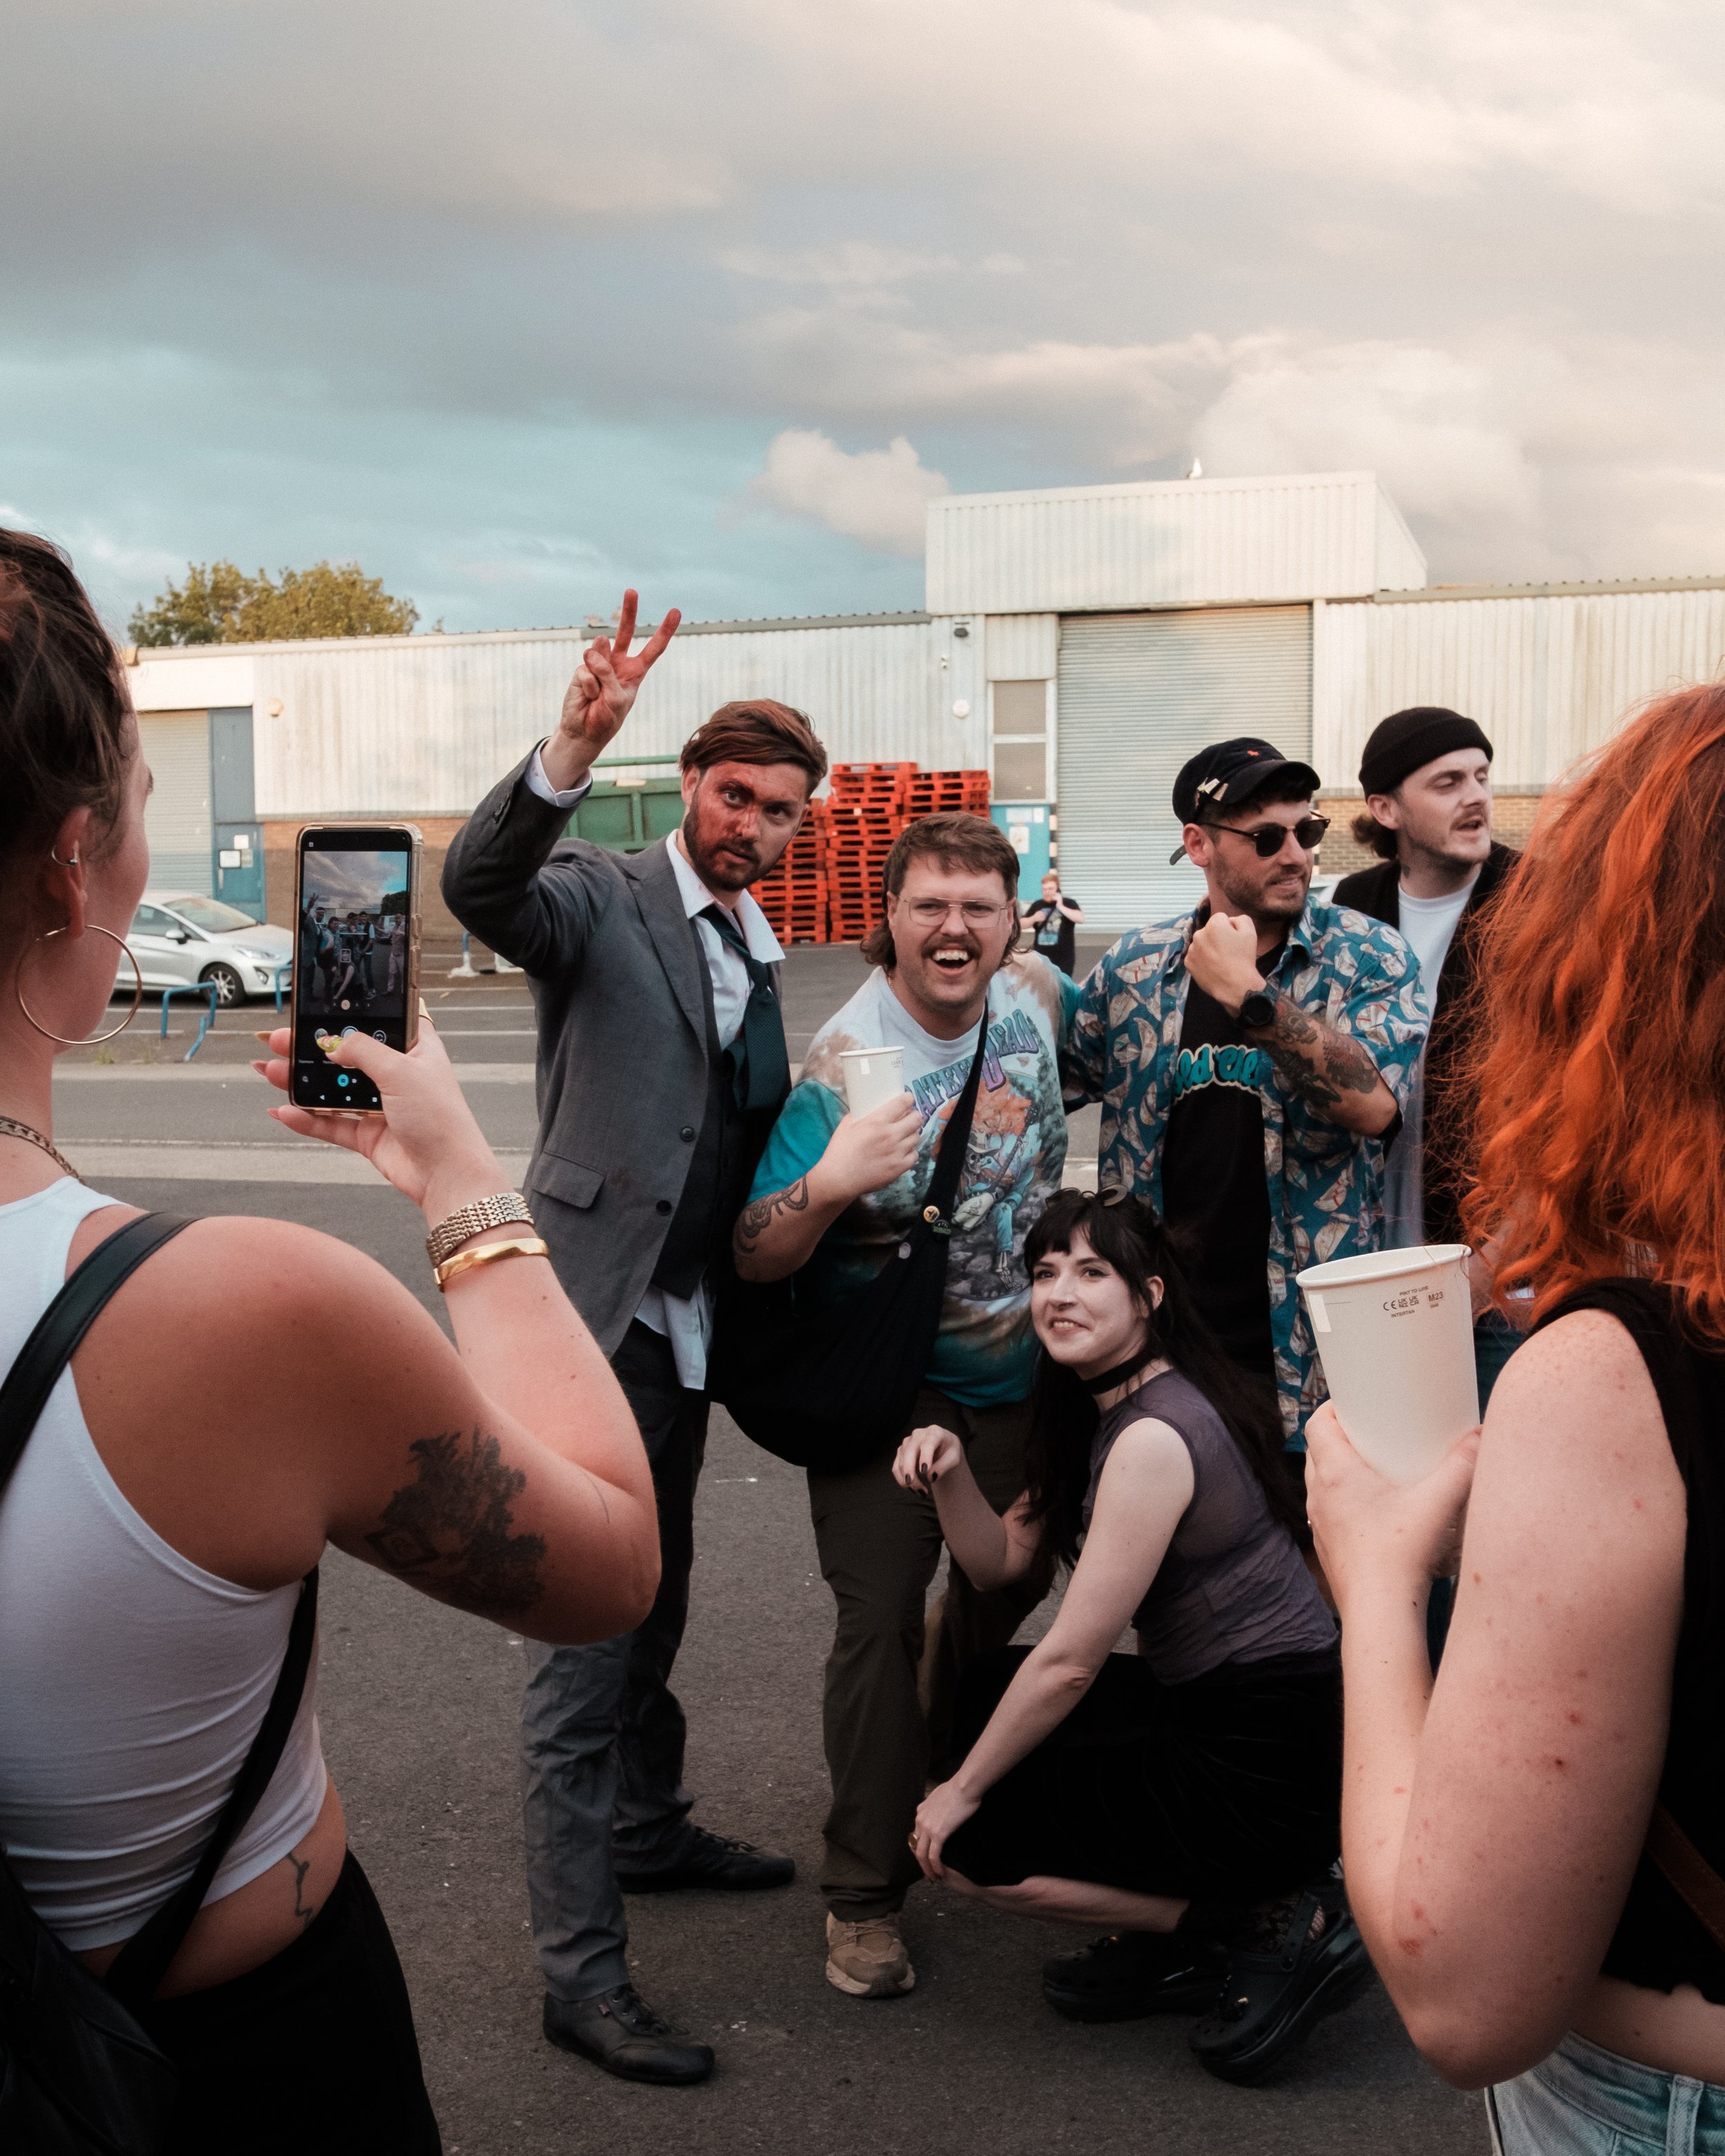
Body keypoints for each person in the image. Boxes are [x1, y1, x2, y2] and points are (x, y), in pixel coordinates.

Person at [0, 528, 660, 2152]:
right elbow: (608, 1562)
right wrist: (460, 1179)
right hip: (208, 2059)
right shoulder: (231, 1311)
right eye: (146, 808)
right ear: (76, 862)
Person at [1305, 682, 1725, 2150]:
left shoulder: (1622, 1370)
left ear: (1600, 974)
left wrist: (1367, 1576)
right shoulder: (1348, 910)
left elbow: (1462, 1990)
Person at [442, 598, 823, 2086]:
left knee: (652, 1599)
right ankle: (577, 1977)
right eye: (735, 798)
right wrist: (566, 752)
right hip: (584, 1317)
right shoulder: (599, 890)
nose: (754, 828)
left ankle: (647, 1830)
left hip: (685, 1331)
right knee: (581, 1655)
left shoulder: (761, 941)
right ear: (689, 784)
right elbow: (486, 887)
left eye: (781, 813)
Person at [898, 1188, 1365, 2084]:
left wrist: (956, 1791)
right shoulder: (1101, 1404)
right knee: (985, 1686)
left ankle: (1252, 1918)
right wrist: (952, 1473)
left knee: (966, 1846)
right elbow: (1001, 1563)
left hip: (1267, 1754)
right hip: (1226, 1715)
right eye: (1044, 1273)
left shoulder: (1155, 1435)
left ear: (1149, 1297)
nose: (1060, 1293)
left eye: (1091, 1272)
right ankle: (1200, 1916)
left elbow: (1071, 1662)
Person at [735, 811, 1078, 2001]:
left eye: (979, 907)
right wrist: (829, 1187)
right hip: (886, 1391)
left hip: (1019, 1382)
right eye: (930, 904)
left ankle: (939, 1778)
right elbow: (755, 1252)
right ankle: (864, 1894)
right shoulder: (843, 1065)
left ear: (1011, 922)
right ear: (888, 916)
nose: (954, 928)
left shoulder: (1030, 1007)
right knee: (878, 1623)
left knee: (1000, 1597)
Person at [1067, 736, 1428, 1441]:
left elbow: (1373, 1106)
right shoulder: (1135, 966)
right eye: (1266, 836)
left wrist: (1250, 996)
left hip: (1307, 1351)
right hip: (1159, 1341)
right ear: (1198, 844)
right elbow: (1052, 1085)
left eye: (1306, 830)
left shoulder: (1366, 954)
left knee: (1313, 1543)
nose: (1293, 853)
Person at [1332, 705, 1521, 1405]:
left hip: (1498, 1281)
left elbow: (1568, 1104)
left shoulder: (1538, 902)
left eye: (1480, 775)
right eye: (1446, 782)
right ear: (1385, 808)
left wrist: (1487, 1272)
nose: (1475, 795)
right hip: (1371, 1270)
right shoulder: (1351, 906)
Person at [1021, 870, 1084, 976]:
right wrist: (1033, 918)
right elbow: (1020, 924)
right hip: (1041, 957)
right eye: (1044, 889)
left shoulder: (1069, 903)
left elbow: (1081, 918)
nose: (1047, 892)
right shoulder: (1038, 905)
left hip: (1064, 958)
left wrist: (1060, 906)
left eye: (1051, 889)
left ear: (1058, 888)